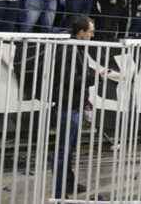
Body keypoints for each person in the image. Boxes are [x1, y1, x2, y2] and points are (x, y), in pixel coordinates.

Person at [52, 16, 95, 199]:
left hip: (73, 105)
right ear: (81, 32)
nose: (92, 35)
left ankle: (67, 184)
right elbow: (71, 80)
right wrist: (94, 77)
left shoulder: (76, 49)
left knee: (68, 150)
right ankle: (60, 190)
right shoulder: (70, 50)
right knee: (64, 150)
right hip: (67, 107)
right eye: (90, 31)